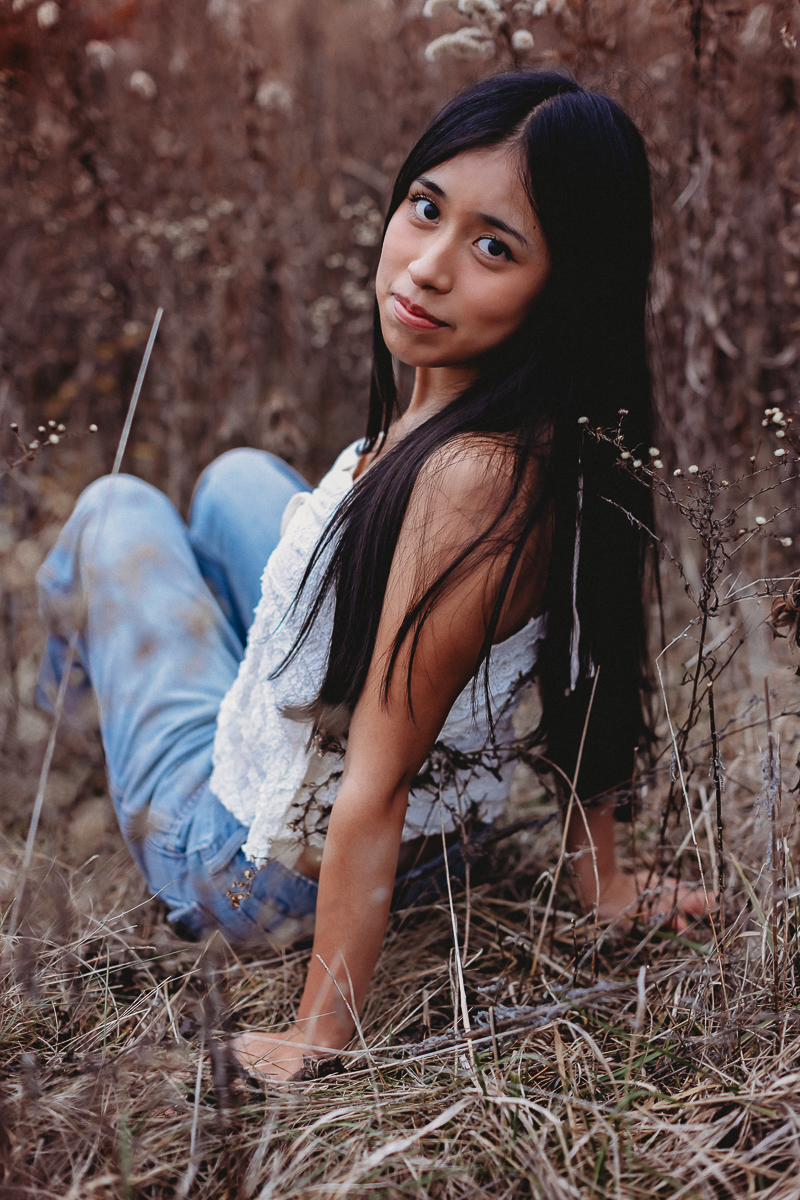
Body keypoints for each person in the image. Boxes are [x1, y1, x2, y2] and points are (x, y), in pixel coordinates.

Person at [37, 70, 704, 1083]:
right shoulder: (523, 427)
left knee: (113, 510)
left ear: (563, 288)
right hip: (443, 841)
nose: (427, 268)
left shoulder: (470, 483)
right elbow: (583, 654)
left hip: (255, 876)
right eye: (426, 208)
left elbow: (375, 783)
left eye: (493, 247)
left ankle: (76, 735)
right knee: (236, 482)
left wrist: (317, 1035)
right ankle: (129, 710)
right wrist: (600, 880)